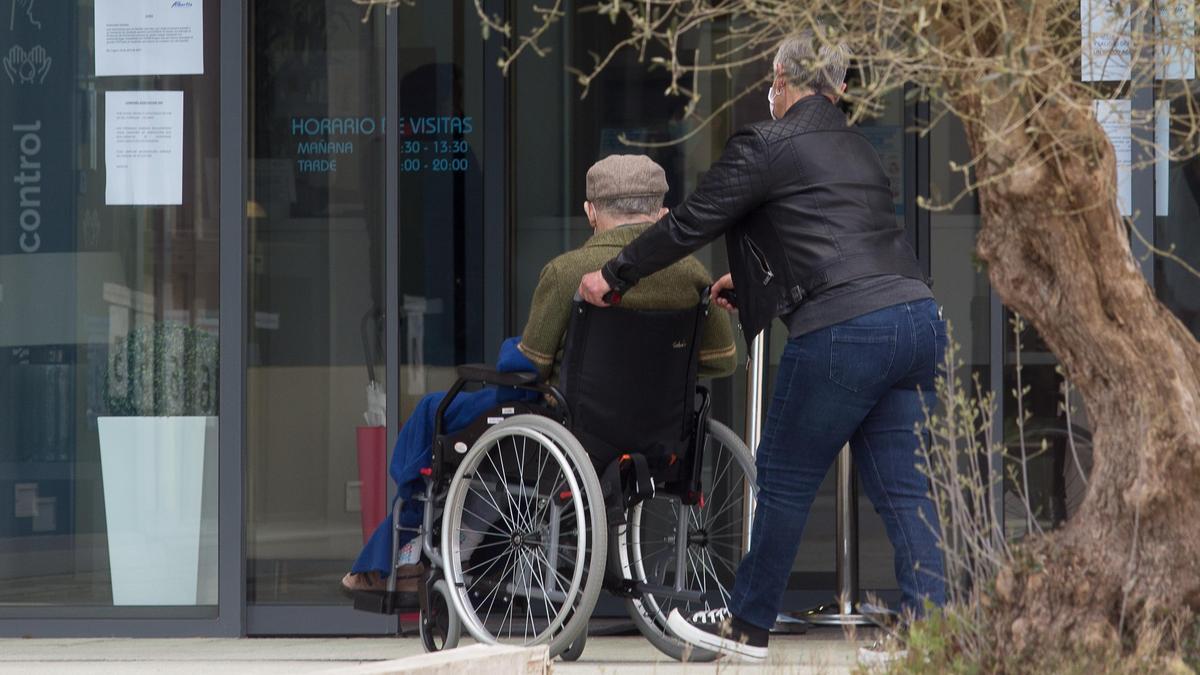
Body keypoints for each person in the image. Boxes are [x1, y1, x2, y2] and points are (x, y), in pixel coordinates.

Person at [578, 32, 948, 663]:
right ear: (838, 87)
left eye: (771, 83)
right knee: (907, 493)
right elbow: (828, 237)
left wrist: (613, 276)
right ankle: (937, 634)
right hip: (916, 319)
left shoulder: (768, 142)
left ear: (781, 80)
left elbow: (692, 220)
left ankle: (746, 625)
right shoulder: (858, 147)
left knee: (781, 480)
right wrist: (747, 291)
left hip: (844, 330)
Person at [342, 154, 736, 595]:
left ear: (590, 211)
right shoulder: (693, 275)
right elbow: (722, 359)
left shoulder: (568, 271)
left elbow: (528, 367)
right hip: (661, 436)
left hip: (574, 435)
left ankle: (406, 551)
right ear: (663, 213)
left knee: (437, 415)